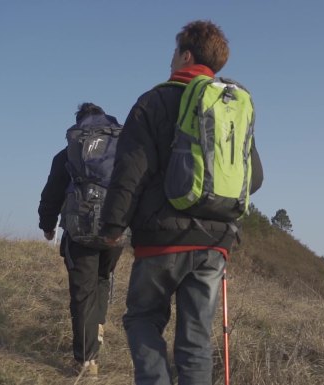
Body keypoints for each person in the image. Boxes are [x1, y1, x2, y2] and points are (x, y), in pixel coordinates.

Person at [99, 20, 263, 385]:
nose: (170, 59)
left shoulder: (153, 101)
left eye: (174, 53)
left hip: (161, 240)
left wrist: (112, 227)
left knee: (142, 319)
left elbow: (130, 171)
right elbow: (256, 178)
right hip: (214, 244)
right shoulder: (230, 106)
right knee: (195, 341)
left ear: (186, 55)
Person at [38, 102, 123, 377]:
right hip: (115, 232)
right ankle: (95, 337)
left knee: (82, 293)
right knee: (101, 281)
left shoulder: (68, 154)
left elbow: (51, 193)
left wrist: (47, 225)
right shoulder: (120, 148)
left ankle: (87, 361)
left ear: (79, 125)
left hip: (79, 231)